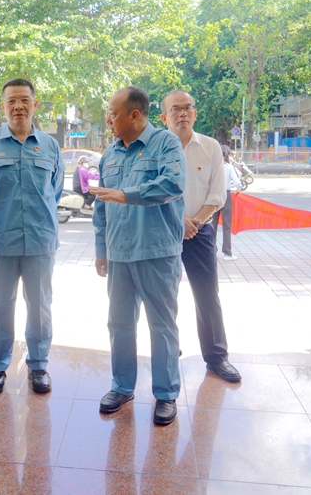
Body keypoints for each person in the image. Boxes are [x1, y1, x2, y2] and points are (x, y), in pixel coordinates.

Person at [90, 86, 186, 426]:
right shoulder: (110, 154)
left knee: (162, 325)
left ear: (134, 115)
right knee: (119, 324)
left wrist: (127, 194)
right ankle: (122, 386)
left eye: (112, 114)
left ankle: (166, 393)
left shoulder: (166, 144)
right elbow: (101, 205)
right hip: (118, 253)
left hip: (156, 251)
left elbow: (173, 184)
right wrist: (101, 249)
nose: (108, 121)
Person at [0, 78, 64, 395]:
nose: (18, 106)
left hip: (40, 241)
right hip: (1, 243)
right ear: (3, 106)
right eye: (11, 101)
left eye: (24, 100)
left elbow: (54, 190)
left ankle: (38, 365)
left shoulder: (50, 145)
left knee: (40, 305)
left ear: (35, 105)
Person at [162, 91, 242, 384]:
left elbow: (217, 195)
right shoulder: (155, 147)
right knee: (164, 296)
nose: (182, 113)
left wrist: (192, 223)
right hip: (163, 231)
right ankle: (168, 351)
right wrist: (177, 221)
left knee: (207, 296)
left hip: (200, 231)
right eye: (175, 109)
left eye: (187, 108)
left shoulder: (210, 147)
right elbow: (151, 191)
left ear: (195, 114)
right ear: (164, 117)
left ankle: (217, 357)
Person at [211, 145, 242, 261]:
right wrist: (238, 190)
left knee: (212, 225)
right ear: (228, 154)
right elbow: (237, 182)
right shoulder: (229, 167)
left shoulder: (212, 166)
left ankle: (212, 251)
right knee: (227, 226)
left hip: (214, 196)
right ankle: (227, 252)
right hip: (226, 195)